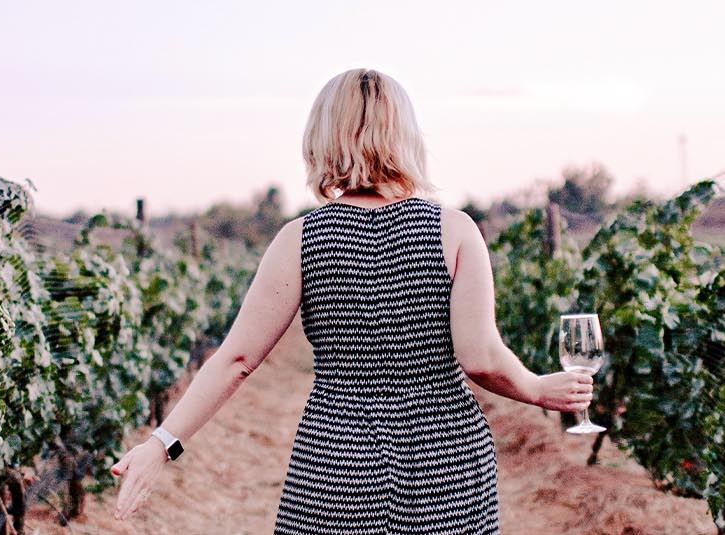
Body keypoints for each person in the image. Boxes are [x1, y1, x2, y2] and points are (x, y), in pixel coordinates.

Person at [109, 68, 594, 533]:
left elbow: (235, 359)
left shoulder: (299, 239)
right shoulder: (454, 231)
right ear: (407, 137)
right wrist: (534, 388)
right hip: (446, 470)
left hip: (335, 469)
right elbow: (481, 358)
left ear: (323, 138)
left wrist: (161, 443)